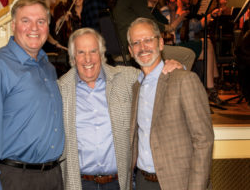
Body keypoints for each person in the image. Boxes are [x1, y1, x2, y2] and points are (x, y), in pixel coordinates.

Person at [58, 27, 190, 190]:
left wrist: (176, 67)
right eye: (81, 52)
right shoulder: (61, 89)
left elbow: (155, 75)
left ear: (101, 54)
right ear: (72, 57)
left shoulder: (126, 78)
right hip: (80, 183)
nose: (88, 59)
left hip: (119, 182)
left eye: (93, 51)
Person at [0, 0, 64, 190]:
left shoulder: (48, 67)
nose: (34, 28)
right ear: (13, 25)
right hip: (15, 180)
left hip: (53, 176)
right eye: (25, 21)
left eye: (41, 21)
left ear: (48, 27)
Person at [127, 17, 214, 190]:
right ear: (130, 51)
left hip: (179, 183)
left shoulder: (184, 80)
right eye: (136, 42)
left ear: (160, 43)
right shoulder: (136, 86)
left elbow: (204, 140)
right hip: (143, 182)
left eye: (148, 40)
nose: (142, 47)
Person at [174, 0, 224, 105]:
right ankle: (212, 85)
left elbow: (196, 27)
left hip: (189, 43)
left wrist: (210, 15)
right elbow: (172, 28)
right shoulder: (172, 10)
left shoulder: (188, 10)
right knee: (207, 43)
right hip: (178, 45)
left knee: (207, 43)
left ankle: (212, 87)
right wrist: (179, 14)